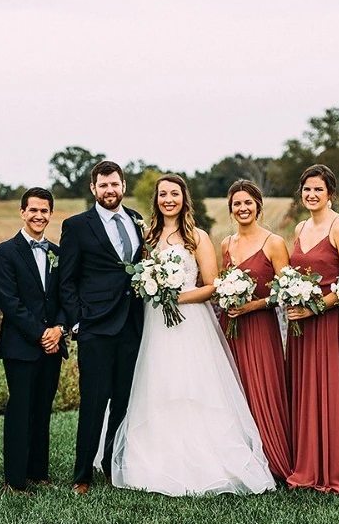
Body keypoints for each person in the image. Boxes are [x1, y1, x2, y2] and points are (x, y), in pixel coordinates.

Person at [111, 174, 275, 496]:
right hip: (157, 322)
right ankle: (157, 460)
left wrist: (177, 297)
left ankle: (205, 458)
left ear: (184, 198)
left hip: (190, 323)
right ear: (156, 200)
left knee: (193, 385)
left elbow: (212, 285)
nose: (168, 199)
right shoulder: (148, 237)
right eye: (162, 194)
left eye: (174, 193)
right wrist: (152, 288)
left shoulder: (196, 236)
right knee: (159, 384)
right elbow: (143, 279)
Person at [58, 160, 144, 495]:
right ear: (93, 189)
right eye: (103, 185)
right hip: (95, 327)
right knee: (94, 402)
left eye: (115, 184)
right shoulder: (77, 225)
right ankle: (82, 474)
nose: (110, 190)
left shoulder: (136, 221)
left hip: (132, 324)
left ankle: (111, 464)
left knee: (123, 401)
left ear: (124, 185)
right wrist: (79, 321)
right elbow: (66, 280)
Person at [285, 164, 339, 493]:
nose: (312, 195)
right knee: (307, 390)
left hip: (329, 323)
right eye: (307, 189)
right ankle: (308, 463)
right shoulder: (301, 227)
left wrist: (313, 307)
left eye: (318, 189)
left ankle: (334, 468)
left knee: (331, 391)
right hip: (301, 326)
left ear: (331, 194)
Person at [0, 187, 67, 496]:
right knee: (21, 408)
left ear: (51, 214)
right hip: (21, 345)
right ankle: (15, 479)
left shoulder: (58, 253)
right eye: (33, 210)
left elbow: (66, 295)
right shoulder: (4, 252)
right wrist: (41, 333)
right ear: (22, 212)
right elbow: (9, 302)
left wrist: (59, 328)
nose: (39, 216)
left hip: (53, 343)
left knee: (43, 407)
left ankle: (38, 471)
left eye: (44, 211)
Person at [219, 179, 293, 482]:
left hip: (260, 327)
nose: (242, 208)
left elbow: (284, 291)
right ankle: (239, 458)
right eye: (237, 203)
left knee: (264, 389)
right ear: (231, 209)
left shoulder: (274, 243)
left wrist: (252, 306)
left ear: (258, 206)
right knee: (234, 390)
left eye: (248, 202)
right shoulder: (226, 244)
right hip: (230, 327)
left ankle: (272, 459)